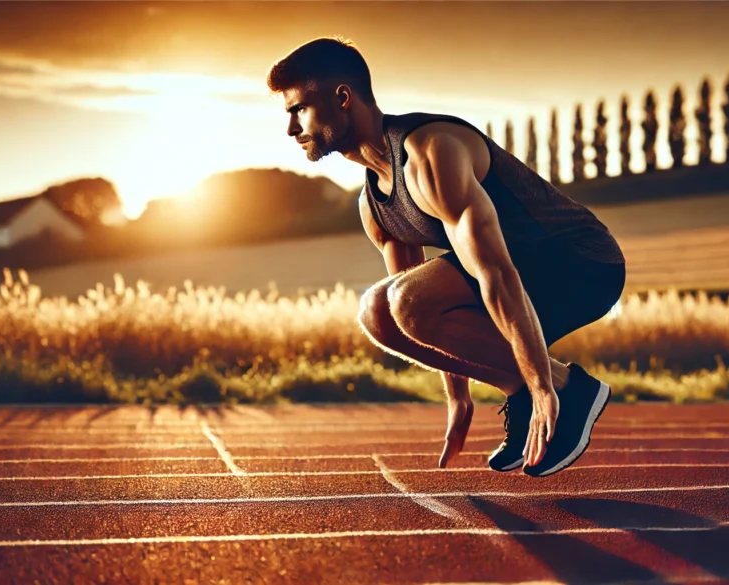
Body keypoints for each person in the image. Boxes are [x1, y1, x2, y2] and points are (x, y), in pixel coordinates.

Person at [266, 36, 626, 477]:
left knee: (402, 301)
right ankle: (521, 388)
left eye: (298, 109)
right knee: (378, 311)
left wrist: (543, 384)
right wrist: (459, 397)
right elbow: (416, 317)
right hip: (520, 279)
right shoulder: (374, 205)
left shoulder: (430, 152)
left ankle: (568, 389)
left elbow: (495, 272)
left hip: (583, 262)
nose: (290, 129)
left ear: (342, 97)